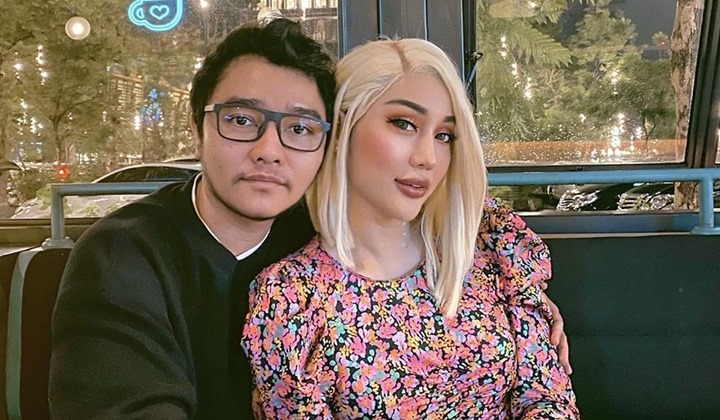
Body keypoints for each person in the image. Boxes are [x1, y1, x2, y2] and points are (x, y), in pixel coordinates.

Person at [242, 38, 579, 418]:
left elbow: (546, 400)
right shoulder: (291, 298)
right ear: (341, 129)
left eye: (444, 135)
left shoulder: (490, 247)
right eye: (403, 124)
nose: (427, 158)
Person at [49, 18, 334, 419]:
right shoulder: (123, 253)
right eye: (241, 120)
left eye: (300, 128)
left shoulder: (324, 248)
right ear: (197, 130)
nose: (269, 151)